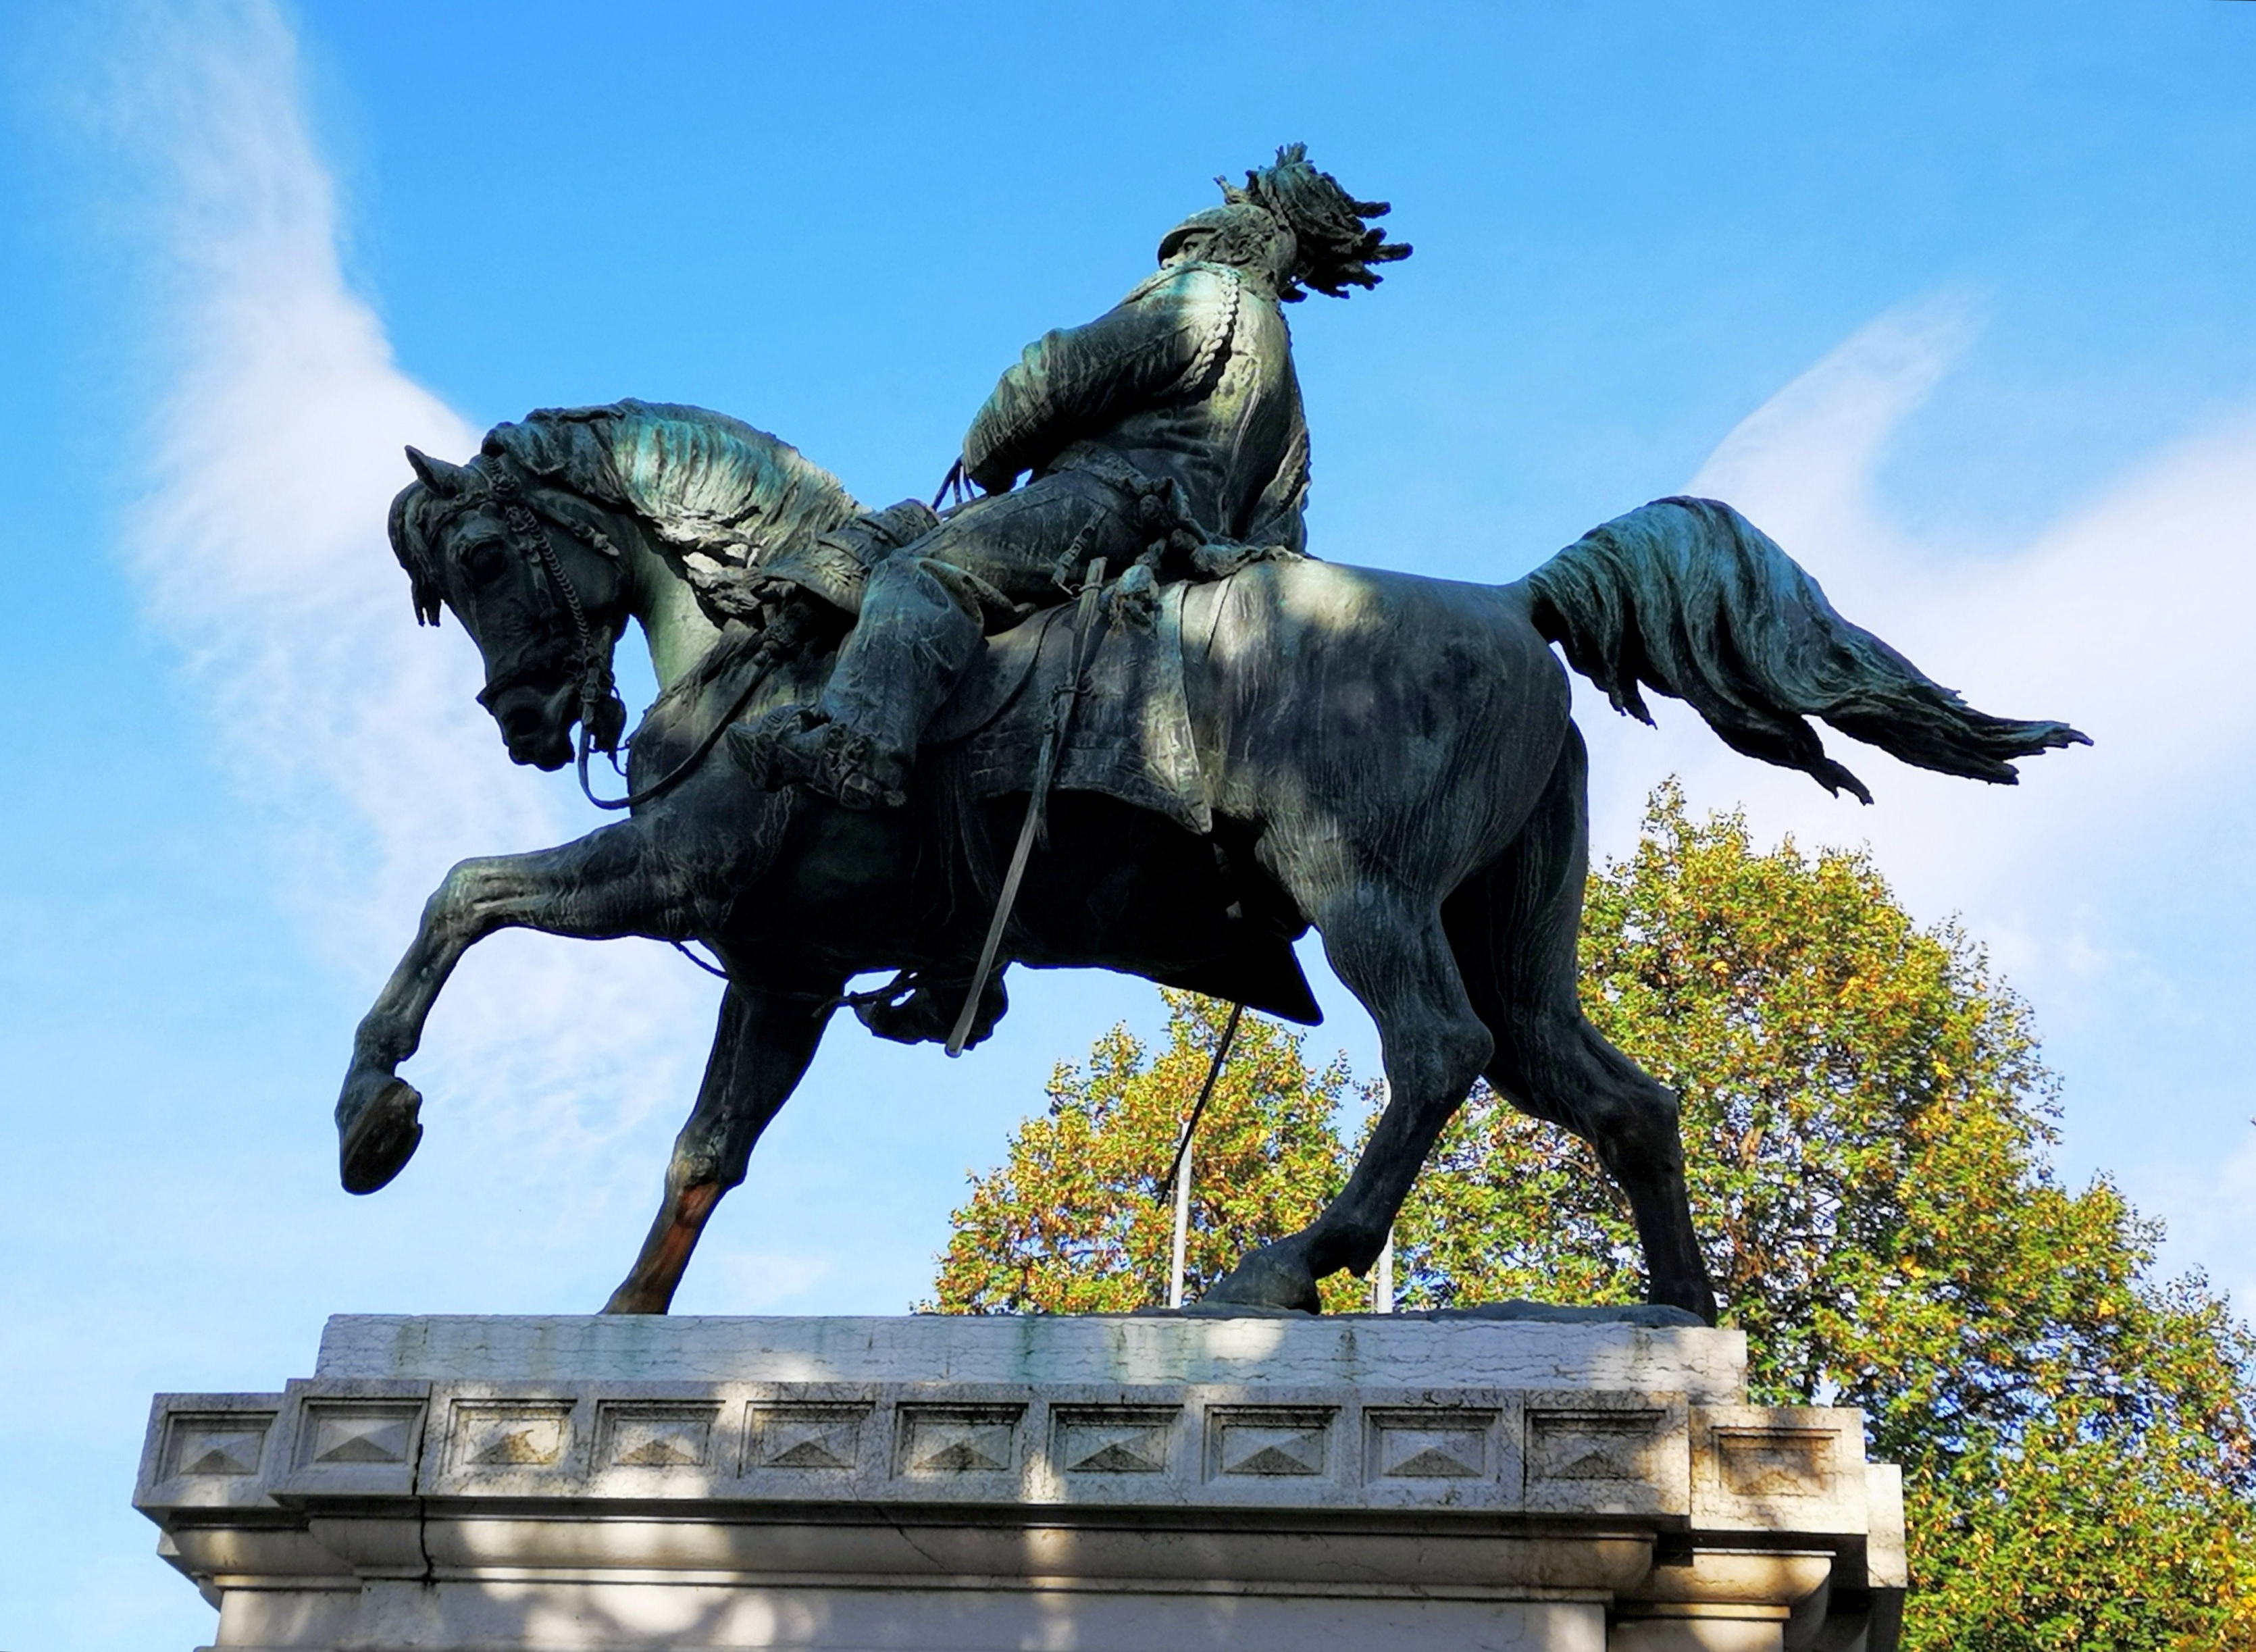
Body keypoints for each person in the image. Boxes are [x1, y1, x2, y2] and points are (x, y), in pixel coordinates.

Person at [732, 145, 1410, 810]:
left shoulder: (1205, 295)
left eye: (1180, 249)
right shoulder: (1282, 373)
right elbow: (1282, 518)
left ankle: (862, 742)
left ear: (1223, 240)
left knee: (920, 572)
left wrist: (988, 449)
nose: (1169, 263)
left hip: (1107, 503)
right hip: (1189, 548)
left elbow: (1061, 375)